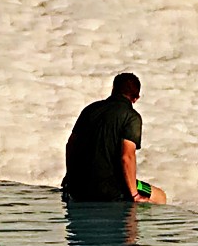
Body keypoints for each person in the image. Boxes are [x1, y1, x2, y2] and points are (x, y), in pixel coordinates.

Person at [63, 73, 166, 204]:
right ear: (136, 98)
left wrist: (70, 176)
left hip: (78, 186)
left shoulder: (90, 109)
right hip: (109, 190)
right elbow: (126, 157)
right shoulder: (131, 117)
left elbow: (71, 145)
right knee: (160, 197)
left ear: (113, 89)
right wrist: (134, 195)